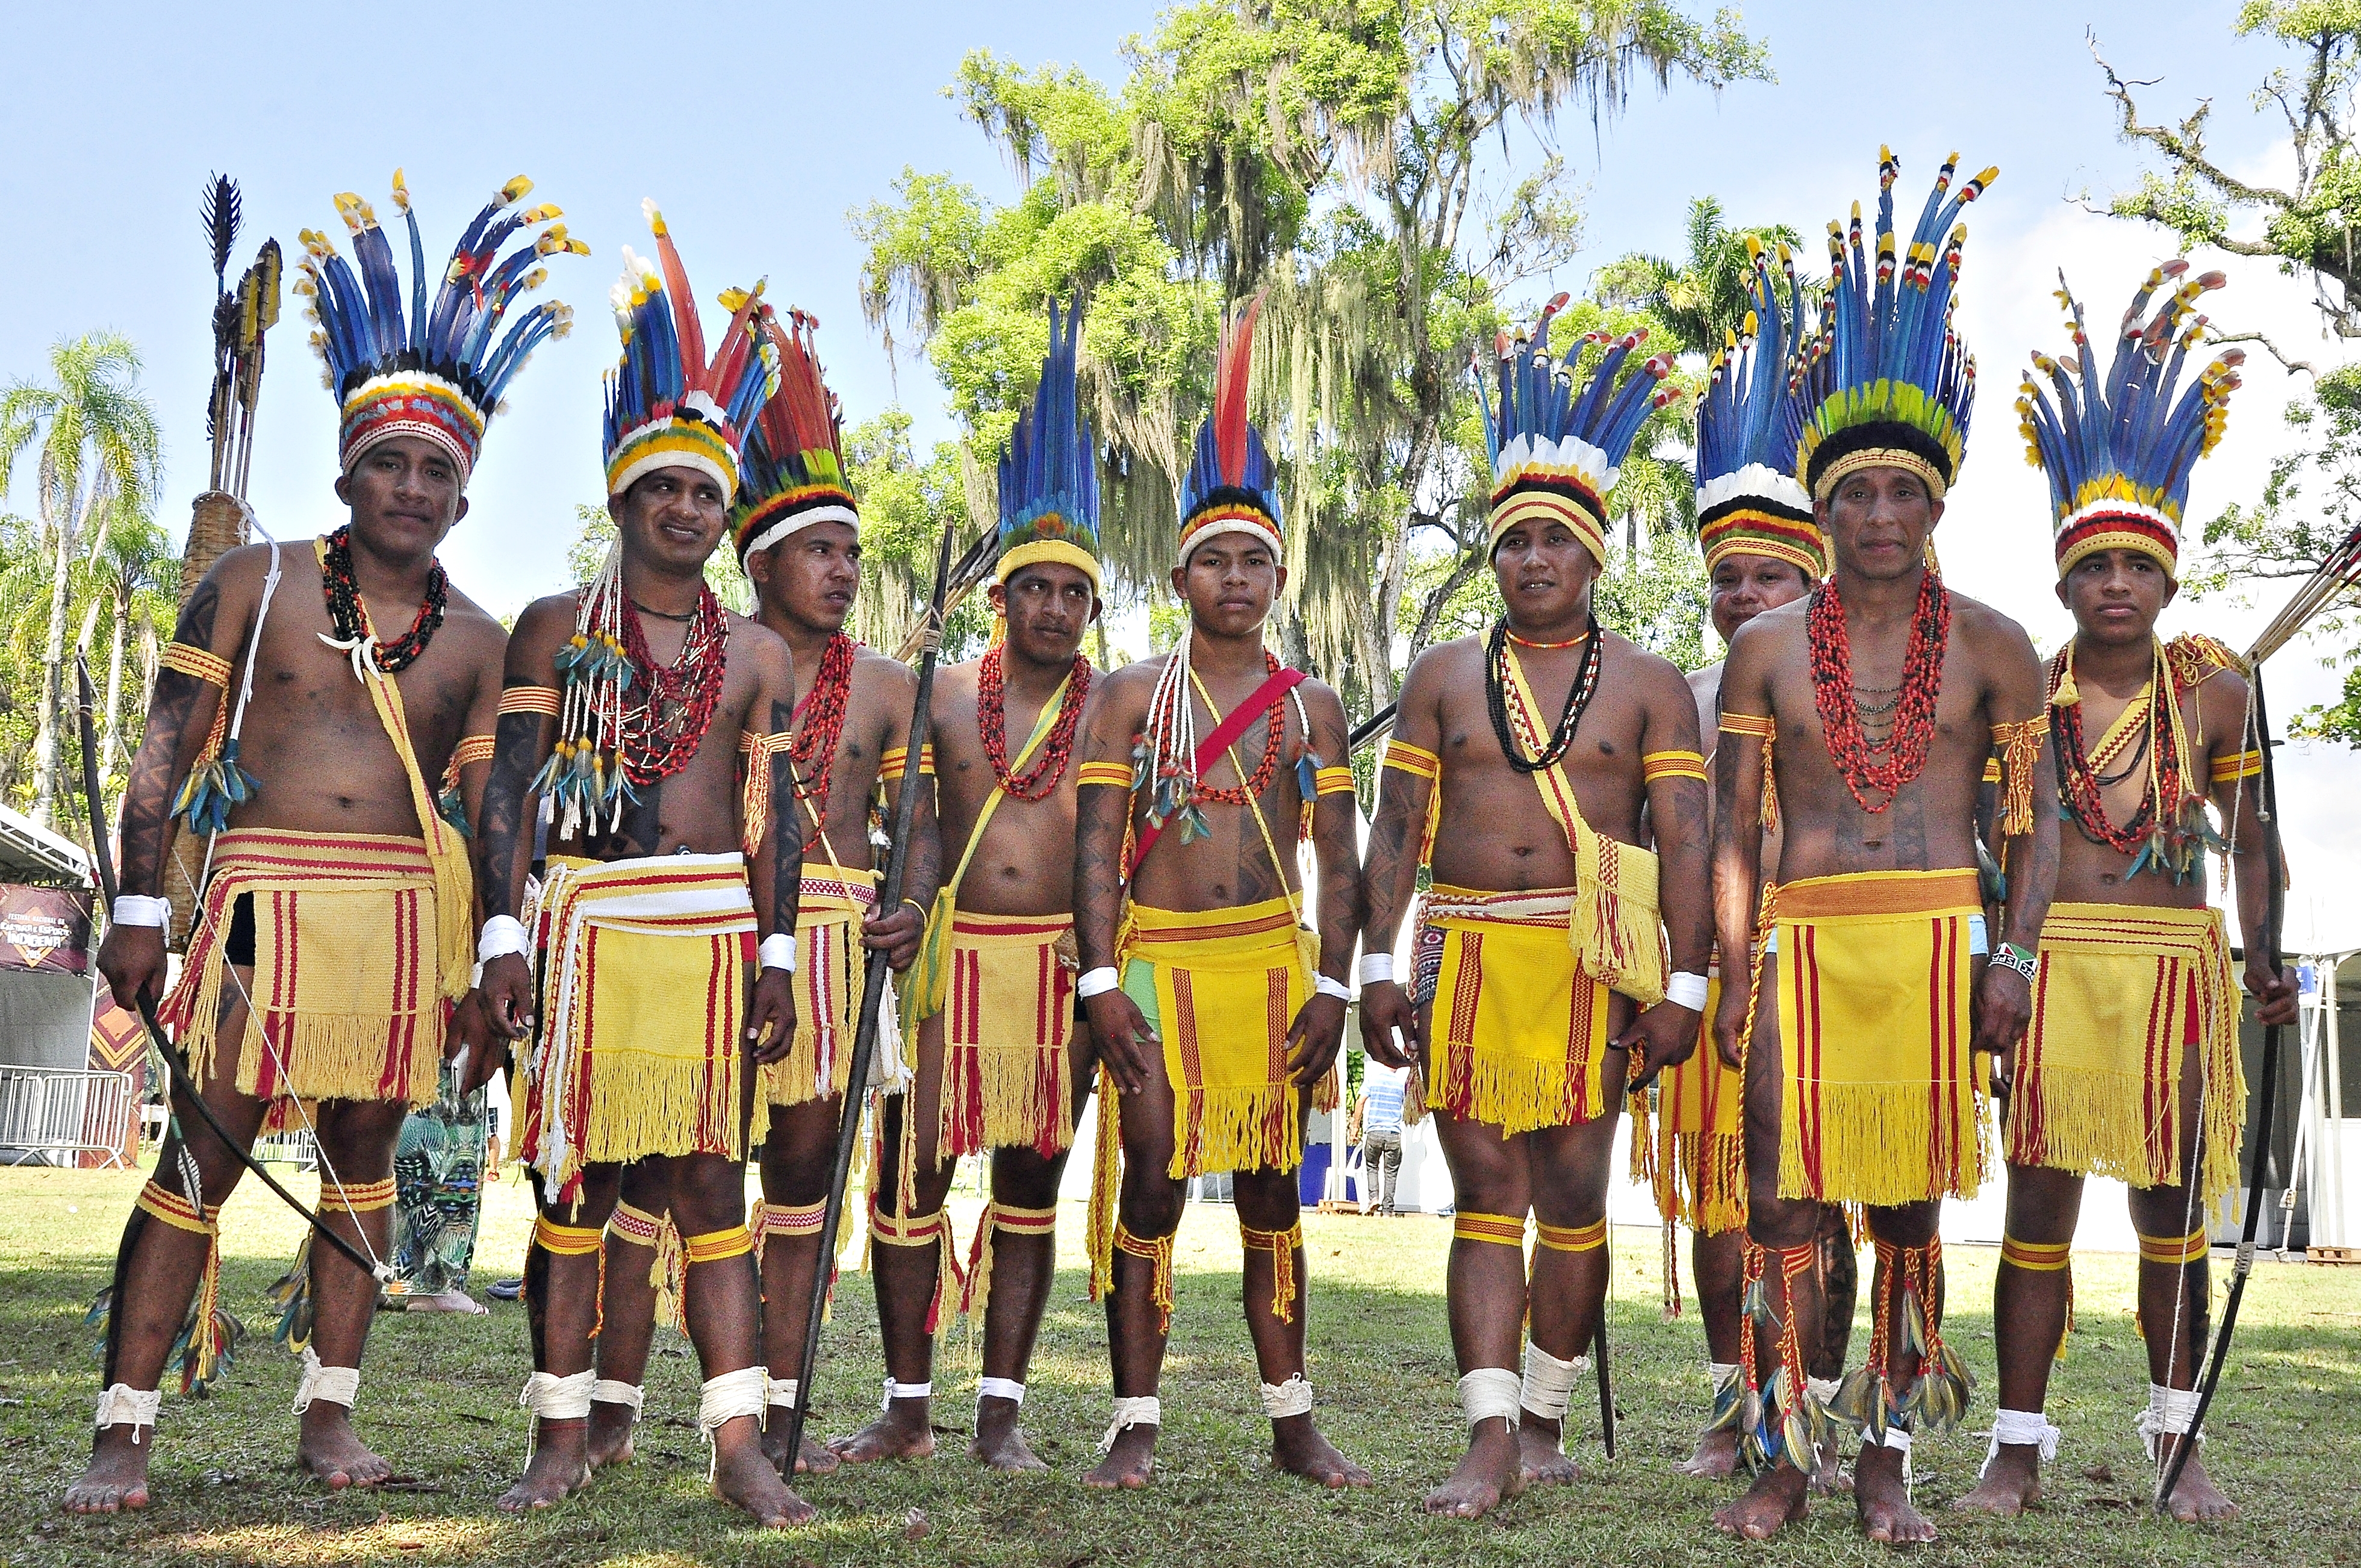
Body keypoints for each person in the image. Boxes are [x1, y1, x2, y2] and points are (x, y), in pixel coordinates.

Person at [68, 174, 577, 1514]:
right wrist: (134, 905)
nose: (411, 486)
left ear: (464, 501)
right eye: (388, 463)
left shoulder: (477, 637)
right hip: (260, 908)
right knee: (200, 1157)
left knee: (365, 1159)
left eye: (438, 471)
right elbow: (166, 751)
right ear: (344, 468)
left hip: (406, 920)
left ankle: (330, 1418)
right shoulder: (260, 579)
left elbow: (489, 817)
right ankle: (123, 1428)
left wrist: (495, 953)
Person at [1709, 152, 2056, 1547]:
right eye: (1853, 494)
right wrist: (1729, 970)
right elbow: (1734, 831)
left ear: (1935, 505)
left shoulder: (1995, 647)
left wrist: (2013, 956)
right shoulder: (1759, 651)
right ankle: (1783, 1455)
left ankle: (1885, 1460)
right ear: (1820, 503)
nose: (1877, 517)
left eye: (1902, 494)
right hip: (1801, 936)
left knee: (1908, 1212)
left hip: (1932, 940)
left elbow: (2021, 829)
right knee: (1783, 1199)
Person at [475, 208, 806, 1527]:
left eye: (705, 493)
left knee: (713, 1184)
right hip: (589, 928)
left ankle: (737, 1445)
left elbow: (768, 821)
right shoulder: (555, 628)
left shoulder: (759, 657)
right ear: (620, 497)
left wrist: (778, 954)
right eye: (662, 486)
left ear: (727, 519)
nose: (684, 507)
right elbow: (507, 794)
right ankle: (561, 1434)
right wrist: (505, 940)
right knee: (575, 1180)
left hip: (712, 931)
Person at [1954, 264, 2296, 1524]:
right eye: (2092, 565)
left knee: (2170, 1218)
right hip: (2054, 969)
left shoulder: (2212, 692)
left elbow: (2250, 840)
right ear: (2061, 582)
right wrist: (2004, 970)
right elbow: (2006, 856)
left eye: (2134, 569)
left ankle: (2173, 1442)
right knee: (2036, 1206)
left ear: (2165, 581)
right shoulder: (2026, 695)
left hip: (2169, 970)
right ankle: (2015, 1446)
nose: (2114, 585)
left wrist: (2262, 956)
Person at [1359, 302, 1712, 1519]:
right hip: (1460, 953)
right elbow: (1395, 831)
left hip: (1589, 962)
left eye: (1554, 541)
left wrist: (1682, 990)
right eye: (1511, 542)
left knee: (1572, 1197)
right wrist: (1368, 964)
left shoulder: (1653, 687)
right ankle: (1488, 1431)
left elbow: (1687, 843)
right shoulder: (1443, 678)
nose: (1530, 561)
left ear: (1593, 556)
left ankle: (1548, 1414)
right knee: (1485, 1199)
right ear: (1492, 556)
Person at [1074, 298, 1369, 1492]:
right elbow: (1096, 852)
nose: (1235, 578)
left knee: (1265, 1192)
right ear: (1180, 572)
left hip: (1268, 965)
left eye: (1255, 560)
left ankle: (1292, 1420)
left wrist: (1336, 988)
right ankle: (1134, 1418)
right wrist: (1101, 984)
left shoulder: (1312, 709)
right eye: (1215, 560)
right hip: (1155, 961)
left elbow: (1337, 868)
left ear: (1279, 574)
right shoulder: (1130, 699)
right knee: (1149, 1177)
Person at [832, 300, 1101, 1471]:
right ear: (1000, 596)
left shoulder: (1120, 704)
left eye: (1072, 593)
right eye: (1033, 587)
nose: (1052, 607)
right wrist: (899, 908)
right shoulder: (935, 693)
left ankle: (999, 1413)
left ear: (1091, 606)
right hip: (941, 964)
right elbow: (910, 825)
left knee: (1031, 1189)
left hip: (1055, 970)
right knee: (906, 1178)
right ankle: (904, 1406)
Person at [726, 303, 936, 1477]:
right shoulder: (709, 656)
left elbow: (914, 830)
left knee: (803, 1179)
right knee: (689, 1170)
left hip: (837, 944)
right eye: (822, 551)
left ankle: (782, 1407)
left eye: (852, 553)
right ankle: (633, 1409)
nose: (845, 571)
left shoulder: (891, 688)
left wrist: (905, 906)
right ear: (762, 562)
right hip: (726, 935)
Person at [1661, 243, 1852, 1486]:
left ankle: (1812, 1417)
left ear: (1813, 577)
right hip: (1715, 986)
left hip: (1840, 974)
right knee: (1722, 1215)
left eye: (1768, 575)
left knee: (1823, 1213)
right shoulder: (1675, 696)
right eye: (1725, 576)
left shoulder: (1866, 692)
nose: (1741, 596)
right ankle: (1739, 1408)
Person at [1357, 1062, 1407, 1216]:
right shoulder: (1401, 1085)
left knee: (1372, 1167)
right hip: (1393, 1134)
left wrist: (1354, 1127)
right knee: (1391, 1172)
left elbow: (1360, 1102)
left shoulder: (1373, 1079)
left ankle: (1374, 1198)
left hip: (1374, 1132)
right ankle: (1387, 1210)